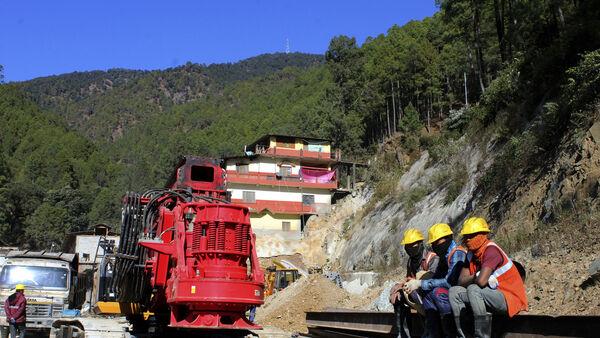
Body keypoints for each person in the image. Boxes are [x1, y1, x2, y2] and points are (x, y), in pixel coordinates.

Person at [449, 217, 528, 338]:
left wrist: (475, 278)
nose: (468, 239)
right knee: (454, 291)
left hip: (509, 297)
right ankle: (464, 335)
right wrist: (475, 276)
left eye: (472, 235)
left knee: (474, 289)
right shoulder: (470, 254)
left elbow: (481, 282)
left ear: (483, 235)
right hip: (490, 295)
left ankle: (482, 335)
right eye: (466, 236)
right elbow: (460, 281)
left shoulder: (491, 250)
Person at [403, 223, 467, 338]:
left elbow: (449, 281)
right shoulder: (444, 256)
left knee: (437, 293)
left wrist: (420, 283)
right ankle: (433, 333)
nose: (436, 246)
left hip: (460, 292)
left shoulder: (456, 253)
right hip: (451, 291)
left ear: (448, 238)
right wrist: (418, 287)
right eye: (433, 244)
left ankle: (451, 333)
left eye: (438, 243)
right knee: (427, 293)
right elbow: (436, 277)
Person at [389, 228, 439, 338]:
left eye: (413, 245)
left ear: (421, 243)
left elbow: (434, 280)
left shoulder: (432, 258)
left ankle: (430, 330)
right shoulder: (411, 261)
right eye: (407, 246)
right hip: (417, 291)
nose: (410, 248)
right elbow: (409, 278)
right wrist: (400, 287)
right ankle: (403, 334)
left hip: (430, 293)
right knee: (399, 296)